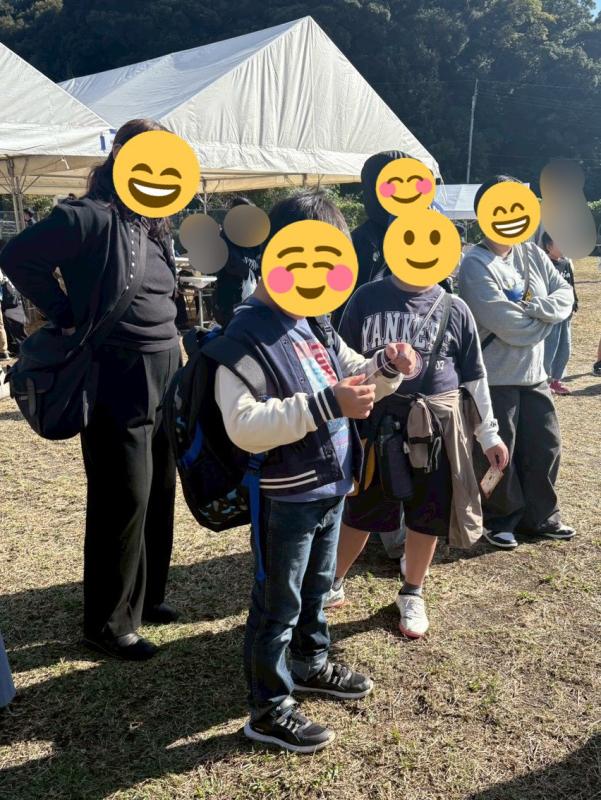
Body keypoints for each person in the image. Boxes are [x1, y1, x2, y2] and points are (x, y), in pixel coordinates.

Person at [214, 190, 417, 753]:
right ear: (277, 253)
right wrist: (329, 404)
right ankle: (268, 709)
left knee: (316, 589)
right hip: (285, 496)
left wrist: (387, 366)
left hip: (329, 487)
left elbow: (354, 373)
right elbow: (244, 425)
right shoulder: (245, 333)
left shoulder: (313, 320)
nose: (319, 276)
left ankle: (310, 662)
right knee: (277, 604)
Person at [0, 118, 181, 661]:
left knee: (159, 488)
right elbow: (16, 256)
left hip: (165, 369)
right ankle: (106, 623)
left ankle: (146, 598)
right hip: (114, 374)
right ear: (120, 156)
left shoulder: (152, 221)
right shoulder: (86, 215)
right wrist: (64, 312)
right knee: (123, 495)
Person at [328, 267, 508, 638]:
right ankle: (333, 582)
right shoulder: (366, 297)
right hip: (377, 423)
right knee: (362, 509)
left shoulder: (455, 307)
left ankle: (412, 591)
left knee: (427, 512)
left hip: (436, 426)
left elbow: (474, 377)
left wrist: (489, 434)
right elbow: (339, 363)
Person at [459, 175, 575, 550]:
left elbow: (565, 295)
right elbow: (507, 325)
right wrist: (545, 319)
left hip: (535, 374)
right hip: (495, 377)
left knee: (545, 448)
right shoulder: (475, 264)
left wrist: (536, 309)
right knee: (498, 454)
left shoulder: (532, 253)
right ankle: (500, 519)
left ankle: (540, 517)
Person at [212, 196, 262, 327]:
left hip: (250, 301)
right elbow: (232, 264)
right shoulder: (226, 237)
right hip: (229, 302)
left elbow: (260, 264)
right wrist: (249, 272)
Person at [541, 232, 578, 395]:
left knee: (565, 347)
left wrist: (575, 302)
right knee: (550, 347)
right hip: (552, 314)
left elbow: (571, 284)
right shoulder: (544, 264)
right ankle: (544, 381)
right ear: (549, 246)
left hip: (566, 314)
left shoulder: (566, 263)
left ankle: (557, 380)